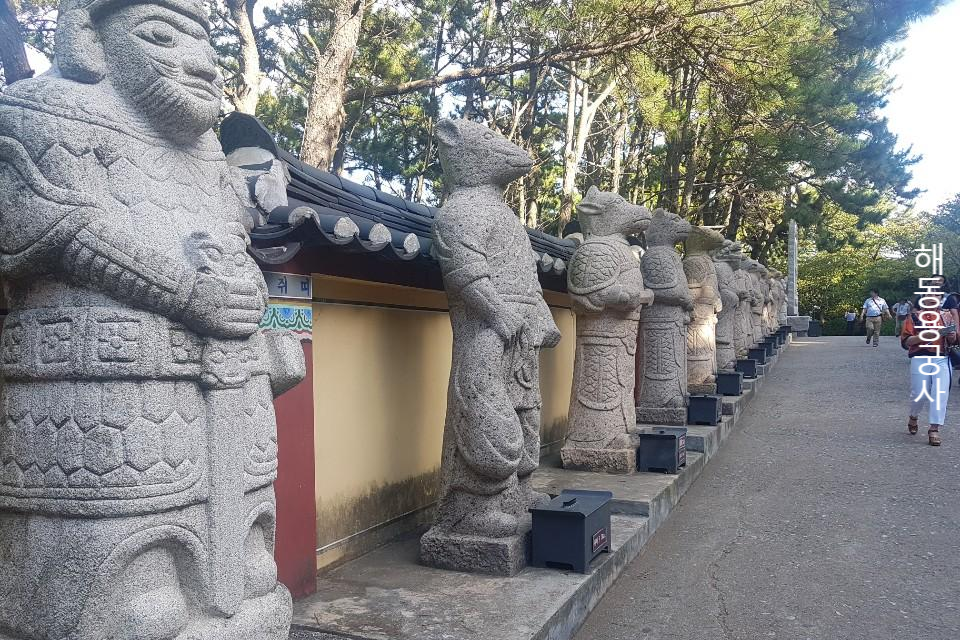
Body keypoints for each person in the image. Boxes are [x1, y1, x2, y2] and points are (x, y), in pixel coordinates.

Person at [902, 307, 956, 445]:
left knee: (940, 392)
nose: (933, 298)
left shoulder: (947, 316)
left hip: (942, 358)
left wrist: (952, 337)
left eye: (936, 296)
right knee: (919, 393)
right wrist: (924, 337)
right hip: (920, 358)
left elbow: (954, 339)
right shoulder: (914, 316)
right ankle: (913, 415)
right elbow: (906, 341)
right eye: (929, 296)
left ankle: (934, 428)